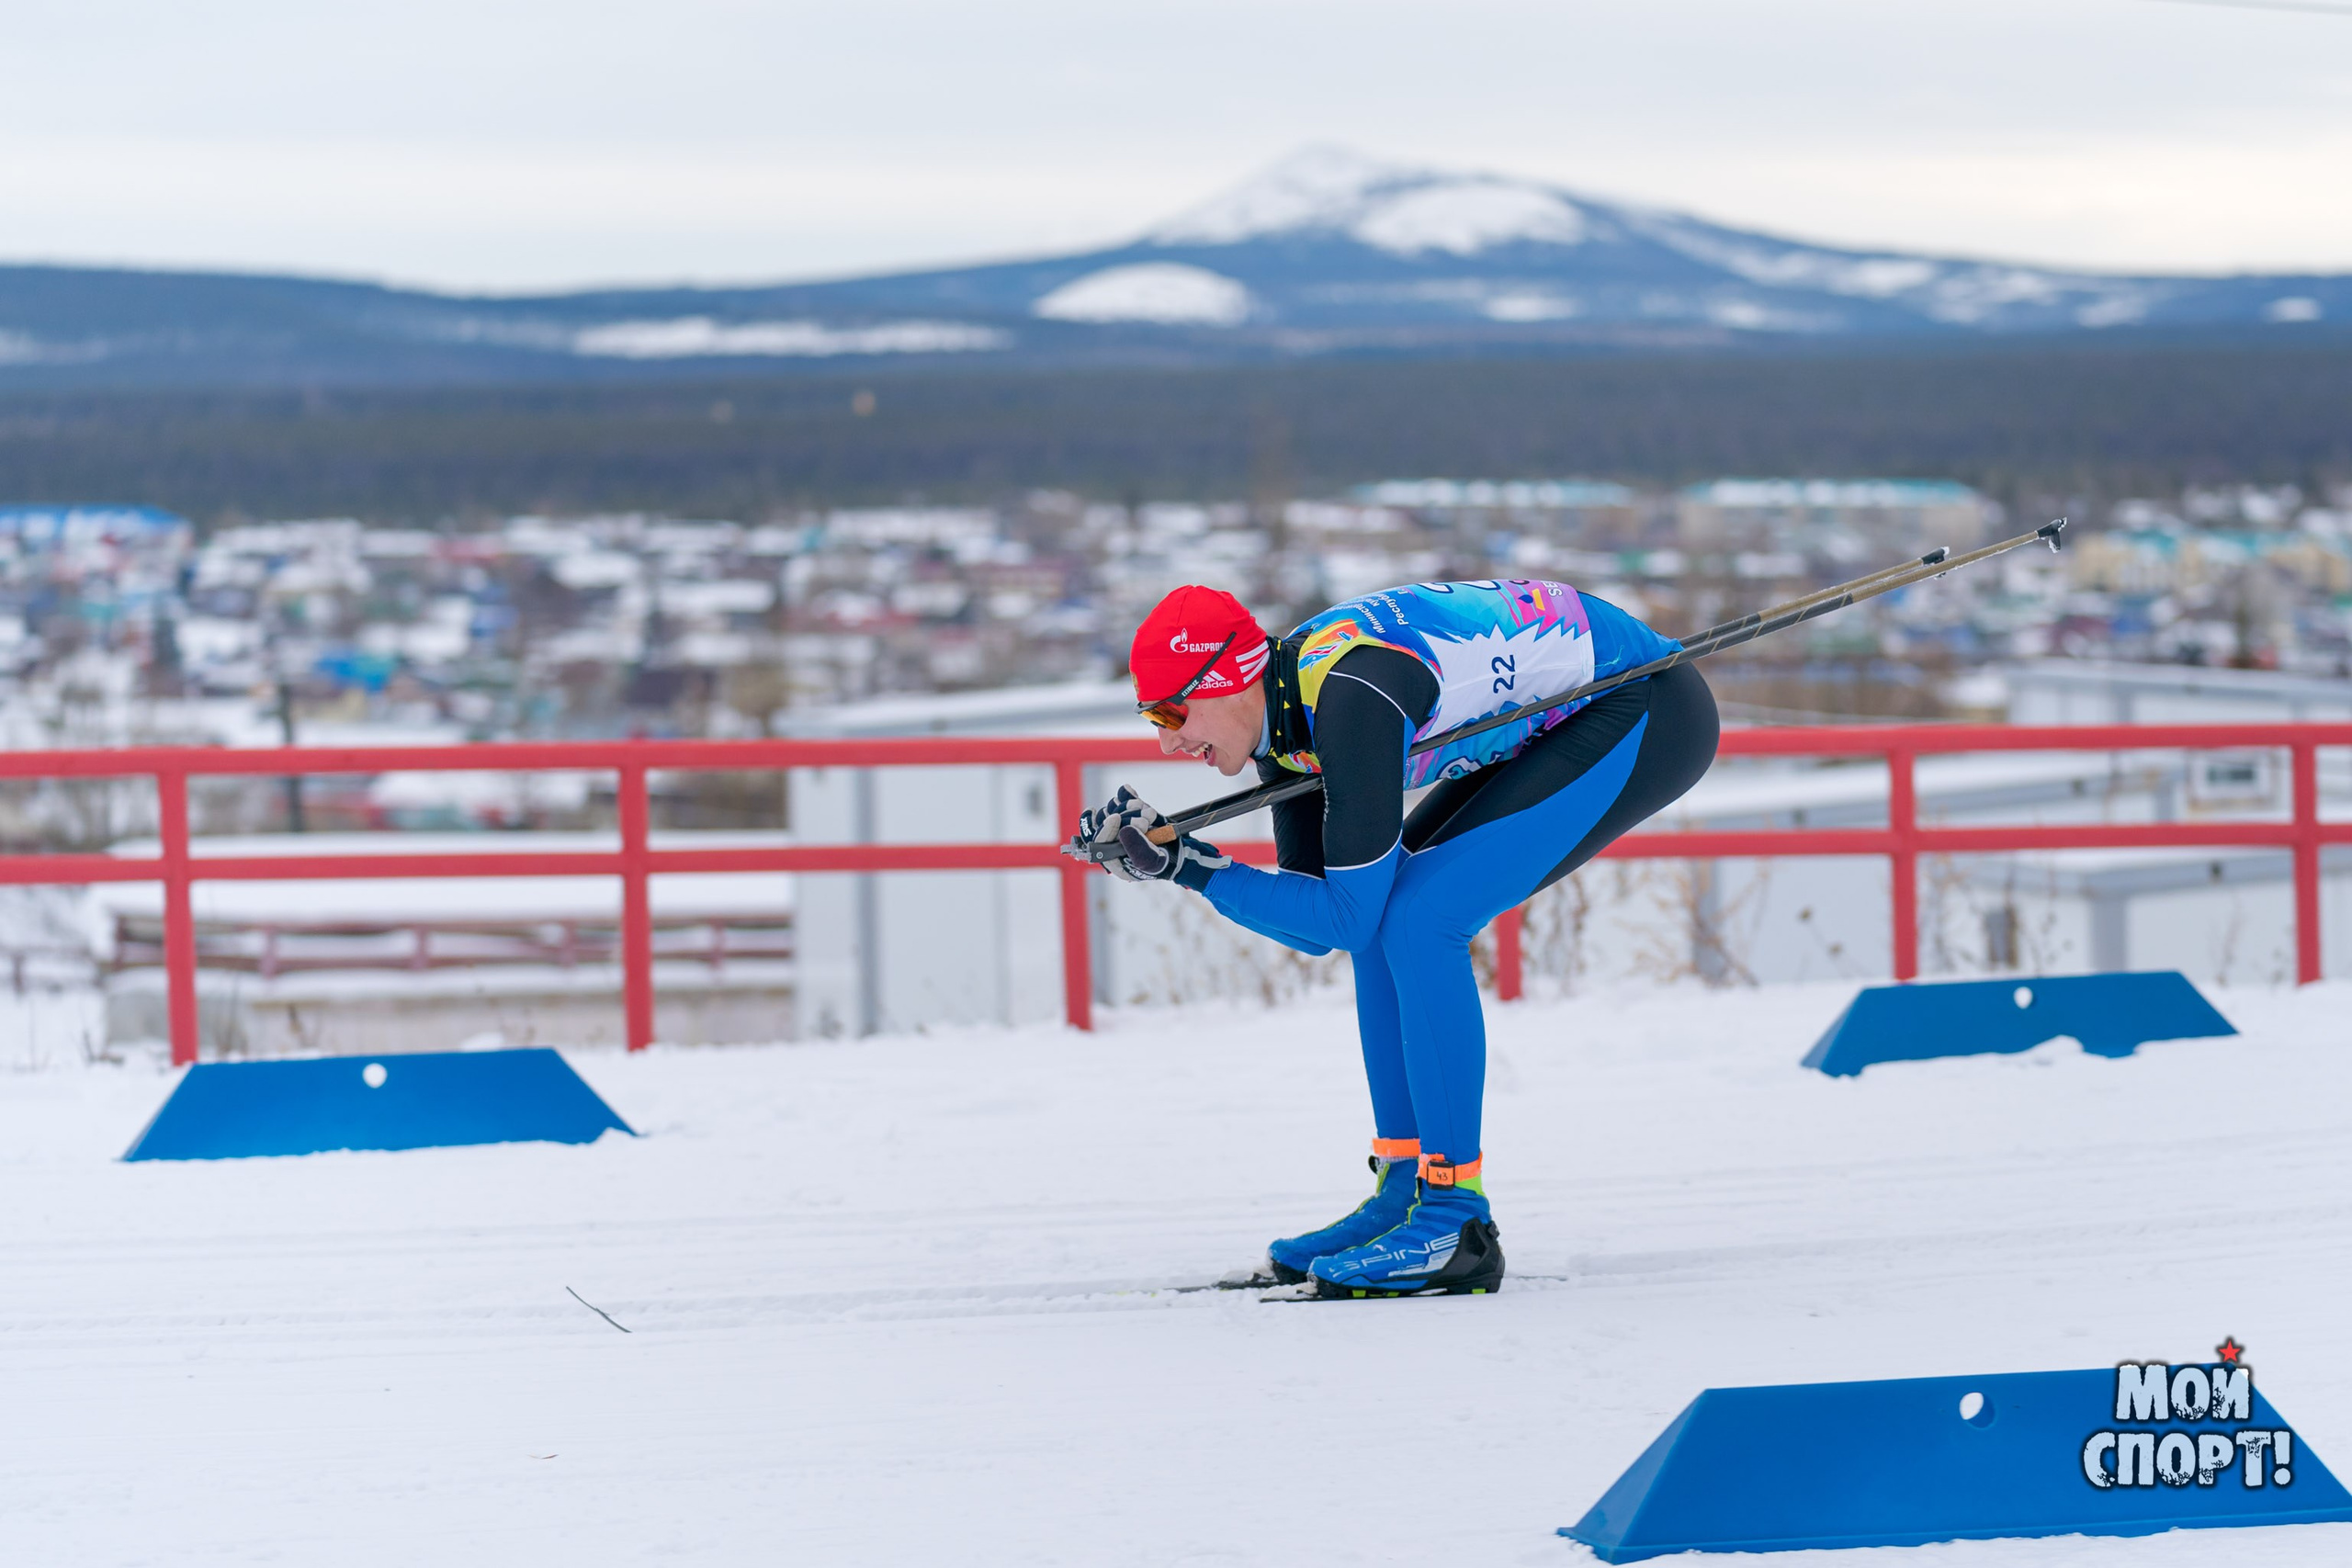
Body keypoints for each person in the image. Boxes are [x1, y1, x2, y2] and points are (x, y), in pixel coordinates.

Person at [1082, 580, 1718, 1298]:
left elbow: (1342, 915)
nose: (1166, 740)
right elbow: (1322, 925)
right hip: (1562, 718)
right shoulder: (1286, 727)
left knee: (1419, 918)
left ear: (1228, 678)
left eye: (1172, 711)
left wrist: (1195, 869)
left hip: (1644, 703)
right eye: (1153, 716)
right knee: (1391, 915)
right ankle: (1407, 1190)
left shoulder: (1350, 697)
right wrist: (1180, 864)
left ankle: (1453, 1216)